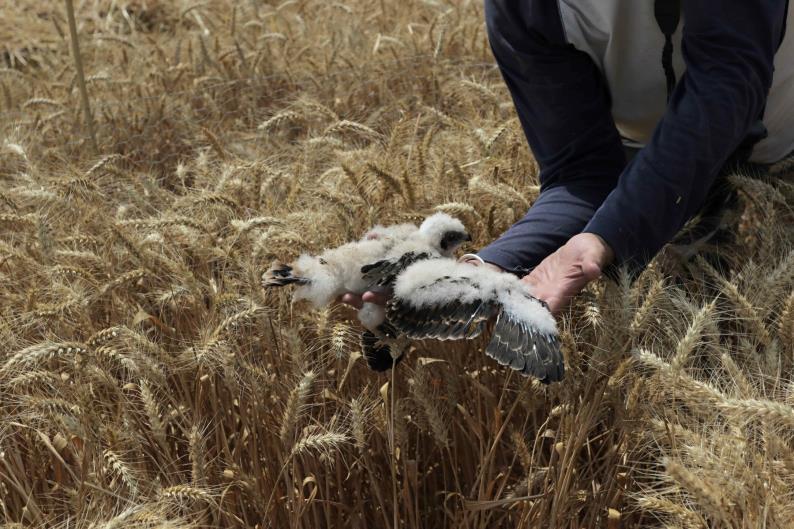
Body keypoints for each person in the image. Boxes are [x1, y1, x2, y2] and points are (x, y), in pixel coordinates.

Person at [344, 0, 794, 315]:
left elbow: (724, 84)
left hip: (780, 121)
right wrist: (485, 267)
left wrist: (607, 233)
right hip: (666, 153)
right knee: (708, 299)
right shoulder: (523, 7)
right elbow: (581, 174)